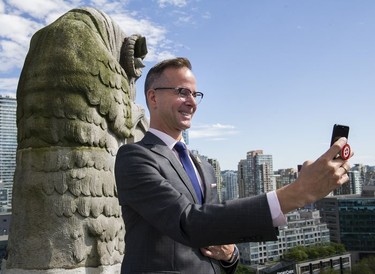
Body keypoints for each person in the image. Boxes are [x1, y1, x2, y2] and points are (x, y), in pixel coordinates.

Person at [115, 57, 352, 273]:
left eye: (195, 95)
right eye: (182, 92)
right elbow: (187, 221)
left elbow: (215, 225)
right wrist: (299, 193)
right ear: (153, 97)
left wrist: (230, 255)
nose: (191, 102)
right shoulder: (135, 157)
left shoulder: (204, 167)